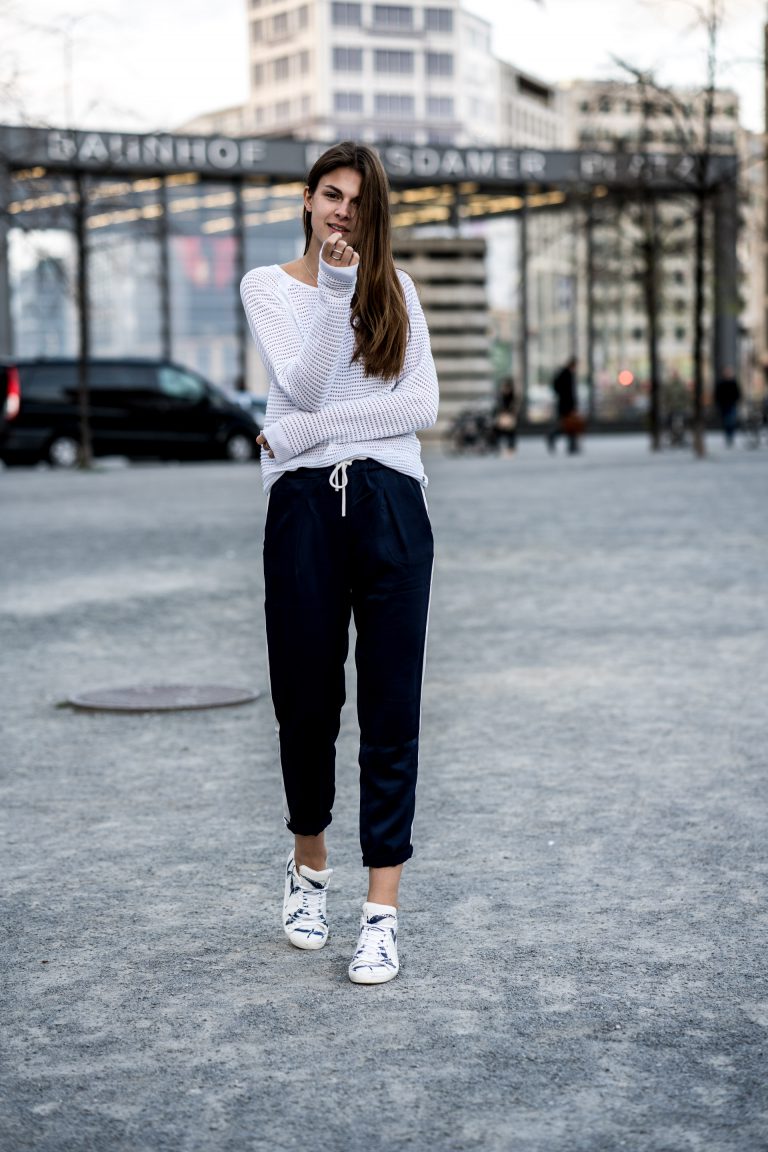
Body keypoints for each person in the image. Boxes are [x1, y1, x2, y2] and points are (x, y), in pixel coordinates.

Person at [240, 142, 438, 985]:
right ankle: (310, 870)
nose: (341, 213)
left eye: (357, 201)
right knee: (307, 702)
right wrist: (330, 292)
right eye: (330, 195)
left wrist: (287, 433)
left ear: (374, 212)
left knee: (392, 710)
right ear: (309, 198)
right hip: (306, 514)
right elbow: (311, 382)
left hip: (392, 506)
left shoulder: (396, 291)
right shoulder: (268, 286)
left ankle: (382, 912)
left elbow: (421, 405)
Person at [547, 356, 581, 455]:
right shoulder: (566, 374)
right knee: (568, 426)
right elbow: (568, 392)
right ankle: (553, 436)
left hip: (565, 404)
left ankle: (572, 446)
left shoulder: (567, 373)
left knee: (570, 426)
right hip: (565, 405)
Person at [714, 366, 741, 447]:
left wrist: (736, 400)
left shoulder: (734, 383)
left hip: (732, 405)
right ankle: (728, 436)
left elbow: (738, 393)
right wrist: (719, 403)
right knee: (726, 422)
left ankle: (731, 436)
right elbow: (717, 395)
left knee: (731, 421)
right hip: (724, 406)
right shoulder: (721, 383)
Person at [492, 376, 518, 456]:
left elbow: (514, 407)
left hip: (509, 417)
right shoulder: (500, 396)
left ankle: (511, 448)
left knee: (510, 433)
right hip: (501, 416)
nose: (504, 389)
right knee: (497, 432)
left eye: (506, 387)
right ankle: (497, 447)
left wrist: (511, 415)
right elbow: (497, 407)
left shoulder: (512, 397)